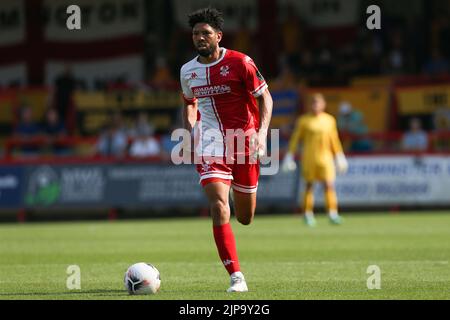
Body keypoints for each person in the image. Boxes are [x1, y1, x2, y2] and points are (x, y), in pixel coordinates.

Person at [179, 8, 273, 292]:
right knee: (218, 205)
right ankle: (236, 276)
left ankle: (235, 186)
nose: (200, 38)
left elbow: (265, 98)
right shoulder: (187, 70)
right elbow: (189, 102)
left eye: (206, 33)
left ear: (218, 36)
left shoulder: (241, 62)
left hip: (244, 141)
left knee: (244, 217)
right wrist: (189, 132)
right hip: (210, 143)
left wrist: (262, 134)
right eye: (196, 33)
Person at [282, 93, 348, 227]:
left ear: (323, 104)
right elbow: (296, 139)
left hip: (326, 158)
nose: (315, 106)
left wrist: (339, 156)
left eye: (318, 103)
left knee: (329, 185)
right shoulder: (304, 120)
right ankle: (307, 214)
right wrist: (290, 155)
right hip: (309, 158)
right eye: (313, 103)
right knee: (309, 186)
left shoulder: (329, 120)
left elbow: (334, 140)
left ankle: (332, 213)